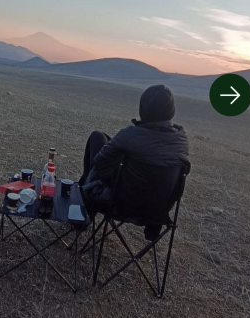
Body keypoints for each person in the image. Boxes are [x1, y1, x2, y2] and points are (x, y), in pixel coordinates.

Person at [79, 84, 190, 233]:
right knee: (105, 140)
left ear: (143, 108)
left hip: (119, 205)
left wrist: (115, 169)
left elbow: (99, 164)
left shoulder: (130, 136)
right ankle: (153, 226)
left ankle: (82, 214)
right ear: (171, 110)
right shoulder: (181, 140)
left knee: (97, 137)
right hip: (157, 211)